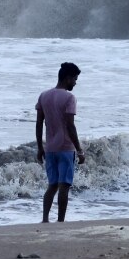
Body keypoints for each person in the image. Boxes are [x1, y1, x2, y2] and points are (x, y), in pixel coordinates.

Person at [35, 62, 86, 222]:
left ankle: (45, 219)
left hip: (50, 149)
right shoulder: (69, 97)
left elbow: (39, 123)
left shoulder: (44, 95)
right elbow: (70, 125)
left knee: (52, 186)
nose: (76, 83)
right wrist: (79, 149)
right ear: (68, 78)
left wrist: (39, 147)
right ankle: (60, 221)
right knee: (64, 186)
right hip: (65, 148)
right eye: (75, 79)